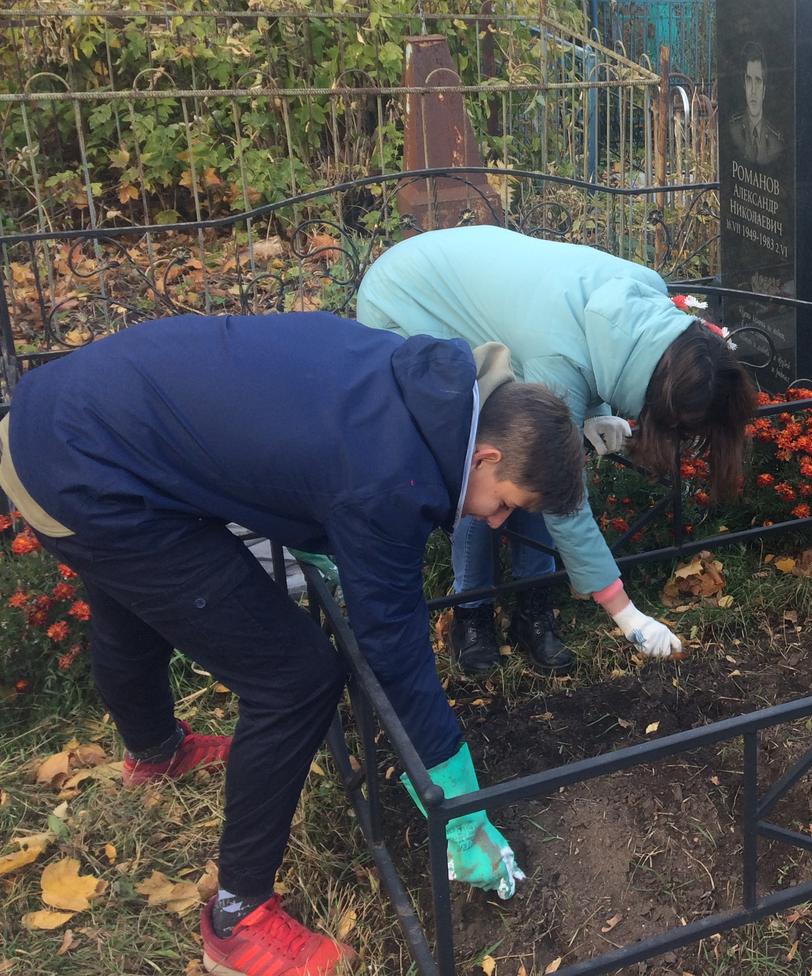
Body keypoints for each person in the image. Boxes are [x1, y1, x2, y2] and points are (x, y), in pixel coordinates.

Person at [0, 312, 587, 976]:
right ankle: (237, 919)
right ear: (486, 458)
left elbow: (304, 448)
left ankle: (155, 751)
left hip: (63, 416)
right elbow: (393, 648)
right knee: (296, 680)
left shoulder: (427, 389)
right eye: (506, 502)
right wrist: (455, 795)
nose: (498, 521)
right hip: (85, 473)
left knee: (130, 592)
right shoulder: (393, 478)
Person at [357, 227, 757, 675]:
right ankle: (472, 611)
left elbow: (605, 352)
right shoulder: (557, 361)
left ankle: (532, 606)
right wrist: (626, 613)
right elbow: (565, 499)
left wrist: (596, 411)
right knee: (481, 465)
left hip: (480, 293)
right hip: (409, 303)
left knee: (533, 466)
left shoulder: (646, 291)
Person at [728, 38, 783, 165]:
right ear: (744, 85)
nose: (753, 90)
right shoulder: (733, 130)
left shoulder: (776, 142)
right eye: (749, 80)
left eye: (758, 81)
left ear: (764, 89)